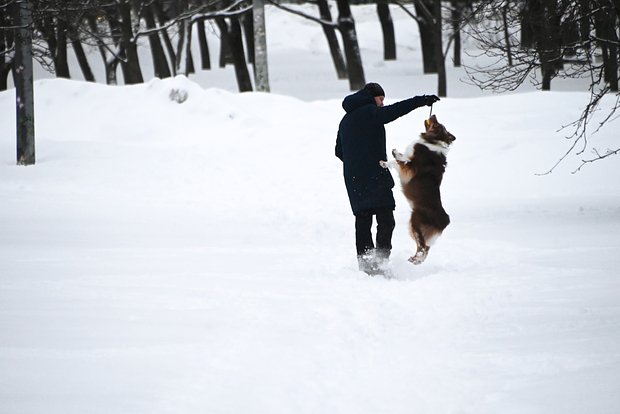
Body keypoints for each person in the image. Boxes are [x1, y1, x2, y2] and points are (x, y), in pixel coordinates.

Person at [335, 82, 439, 275]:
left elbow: (338, 151)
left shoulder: (345, 120)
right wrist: (421, 101)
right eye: (381, 99)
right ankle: (381, 260)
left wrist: (356, 161)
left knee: (363, 218)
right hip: (374, 173)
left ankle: (366, 264)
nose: (382, 103)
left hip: (353, 177)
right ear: (371, 97)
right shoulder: (370, 112)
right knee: (385, 217)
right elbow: (395, 111)